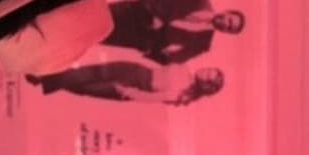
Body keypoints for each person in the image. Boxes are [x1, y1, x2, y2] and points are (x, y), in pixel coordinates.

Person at [104, 0, 246, 63]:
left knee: (98, 36)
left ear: (226, 32)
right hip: (139, 11)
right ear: (227, 11)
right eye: (229, 19)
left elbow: (174, 59)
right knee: (97, 13)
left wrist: (151, 52)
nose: (226, 24)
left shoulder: (204, 43)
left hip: (138, 38)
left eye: (229, 28)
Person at [28, 62, 225, 104]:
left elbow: (153, 98)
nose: (205, 71)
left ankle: (45, 79)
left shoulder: (183, 95)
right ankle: (43, 77)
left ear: (207, 86)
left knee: (86, 89)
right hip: (135, 70)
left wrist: (127, 92)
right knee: (89, 72)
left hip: (133, 88)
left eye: (208, 76)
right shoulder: (185, 68)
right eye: (209, 69)